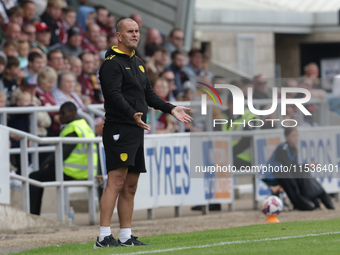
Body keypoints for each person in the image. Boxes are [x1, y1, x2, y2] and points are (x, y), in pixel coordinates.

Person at [96, 18, 192, 248]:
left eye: (137, 31)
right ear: (119, 36)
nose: (135, 35)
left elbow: (149, 95)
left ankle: (126, 235)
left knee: (131, 184)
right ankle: (102, 236)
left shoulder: (138, 62)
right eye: (130, 31)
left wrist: (171, 108)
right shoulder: (111, 64)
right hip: (120, 127)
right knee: (116, 181)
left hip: (136, 128)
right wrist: (132, 113)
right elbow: (113, 95)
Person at [29, 102, 98, 215]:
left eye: (63, 114)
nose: (60, 116)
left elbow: (62, 154)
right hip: (86, 171)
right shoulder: (84, 125)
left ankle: (33, 215)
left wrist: (47, 164)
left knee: (34, 177)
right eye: (59, 114)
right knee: (39, 175)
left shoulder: (73, 129)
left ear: (73, 113)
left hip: (72, 172)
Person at [268, 127, 334, 210]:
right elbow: (288, 166)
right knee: (291, 174)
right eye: (293, 136)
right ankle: (304, 201)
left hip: (285, 173)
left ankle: (316, 196)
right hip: (272, 175)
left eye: (296, 135)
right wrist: (306, 165)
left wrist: (306, 166)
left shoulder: (293, 149)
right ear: (286, 137)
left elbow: (294, 167)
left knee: (302, 172)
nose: (296, 138)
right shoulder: (282, 148)